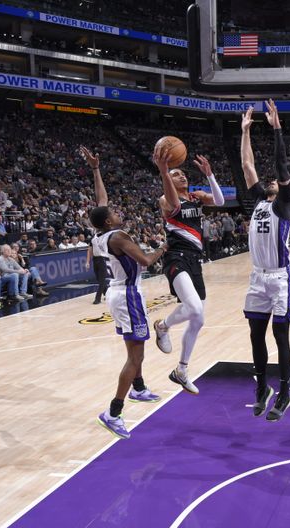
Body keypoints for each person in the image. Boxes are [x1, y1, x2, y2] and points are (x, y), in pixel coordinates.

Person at [81, 146, 167, 440]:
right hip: (128, 294)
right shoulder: (118, 236)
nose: (118, 212)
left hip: (119, 293)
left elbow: (100, 201)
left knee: (134, 349)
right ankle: (113, 412)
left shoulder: (100, 233)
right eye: (114, 212)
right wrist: (166, 246)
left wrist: (96, 169)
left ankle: (139, 389)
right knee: (135, 355)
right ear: (108, 221)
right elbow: (146, 262)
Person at [241, 100, 290, 422]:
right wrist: (245, 132)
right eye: (271, 181)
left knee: (280, 337)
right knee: (255, 336)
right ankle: (261, 388)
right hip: (257, 277)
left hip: (279, 278)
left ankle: (285, 393)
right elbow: (247, 166)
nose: (271, 181)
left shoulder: (284, 206)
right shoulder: (259, 201)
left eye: (275, 181)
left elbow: (281, 167)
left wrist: (276, 128)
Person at [152, 145, 226, 395]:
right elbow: (172, 200)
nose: (181, 175)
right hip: (176, 257)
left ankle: (181, 369)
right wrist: (164, 172)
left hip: (196, 259)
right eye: (176, 174)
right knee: (194, 308)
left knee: (198, 318)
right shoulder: (165, 199)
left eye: (183, 173)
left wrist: (209, 175)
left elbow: (220, 200)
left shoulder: (197, 196)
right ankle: (163, 326)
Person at [86, 227, 109, 305]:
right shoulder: (93, 238)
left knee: (102, 280)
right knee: (98, 279)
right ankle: (108, 294)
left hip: (103, 258)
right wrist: (87, 262)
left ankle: (97, 298)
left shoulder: (104, 236)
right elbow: (89, 250)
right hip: (95, 259)